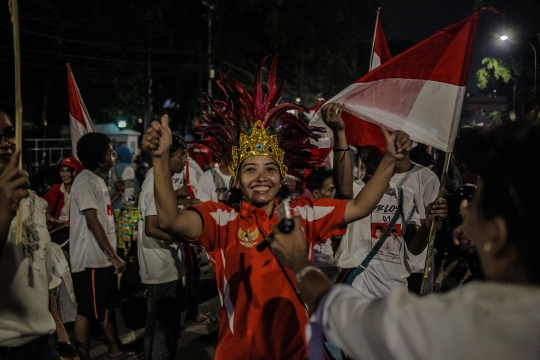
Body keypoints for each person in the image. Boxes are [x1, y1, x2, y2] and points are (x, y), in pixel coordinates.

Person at [142, 57, 412, 359]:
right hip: (240, 353)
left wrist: (389, 160)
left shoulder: (303, 212)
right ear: (237, 179)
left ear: (282, 174)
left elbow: (360, 206)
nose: (261, 178)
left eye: (270, 169)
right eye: (250, 170)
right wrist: (160, 159)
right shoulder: (220, 219)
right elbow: (169, 220)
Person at [268, 121, 540, 360]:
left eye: (475, 200)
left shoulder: (458, 323)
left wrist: (299, 263)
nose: (465, 209)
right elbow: (347, 189)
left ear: (499, 235)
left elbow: (347, 317)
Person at [325, 103, 446, 300]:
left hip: (395, 294)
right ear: (365, 156)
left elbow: (414, 248)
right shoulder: (354, 190)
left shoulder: (405, 195)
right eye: (385, 152)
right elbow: (344, 186)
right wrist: (340, 133)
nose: (393, 158)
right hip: (358, 290)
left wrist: (428, 222)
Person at [0, 107, 59, 359]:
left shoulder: (32, 200)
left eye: (9, 134)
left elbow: (39, 275)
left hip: (45, 345)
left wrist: (61, 335)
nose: (5, 143)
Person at [69, 132, 130, 360]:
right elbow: (92, 220)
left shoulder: (96, 181)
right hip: (91, 260)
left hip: (102, 258)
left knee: (106, 307)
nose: (113, 153)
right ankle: (83, 356)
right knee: (86, 311)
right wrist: (113, 255)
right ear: (98, 158)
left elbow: (101, 210)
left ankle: (115, 349)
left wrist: (115, 196)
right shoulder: (85, 180)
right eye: (109, 150)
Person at [138, 133, 187, 360]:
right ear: (167, 156)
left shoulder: (162, 178)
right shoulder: (156, 181)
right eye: (181, 154)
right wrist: (181, 238)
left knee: (155, 325)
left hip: (163, 265)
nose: (185, 159)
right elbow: (152, 226)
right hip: (161, 267)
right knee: (165, 331)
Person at [305, 167, 340, 281]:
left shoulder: (334, 210)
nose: (334, 194)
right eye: (331, 190)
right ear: (316, 193)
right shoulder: (305, 214)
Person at [43, 157, 81, 230]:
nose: (64, 174)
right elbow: (40, 208)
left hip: (74, 232)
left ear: (74, 172)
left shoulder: (80, 191)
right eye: (62, 171)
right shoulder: (55, 188)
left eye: (68, 171)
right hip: (56, 231)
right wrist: (53, 219)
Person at [110, 145, 139, 210]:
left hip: (113, 205)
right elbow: (130, 192)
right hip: (123, 209)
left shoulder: (113, 168)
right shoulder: (128, 169)